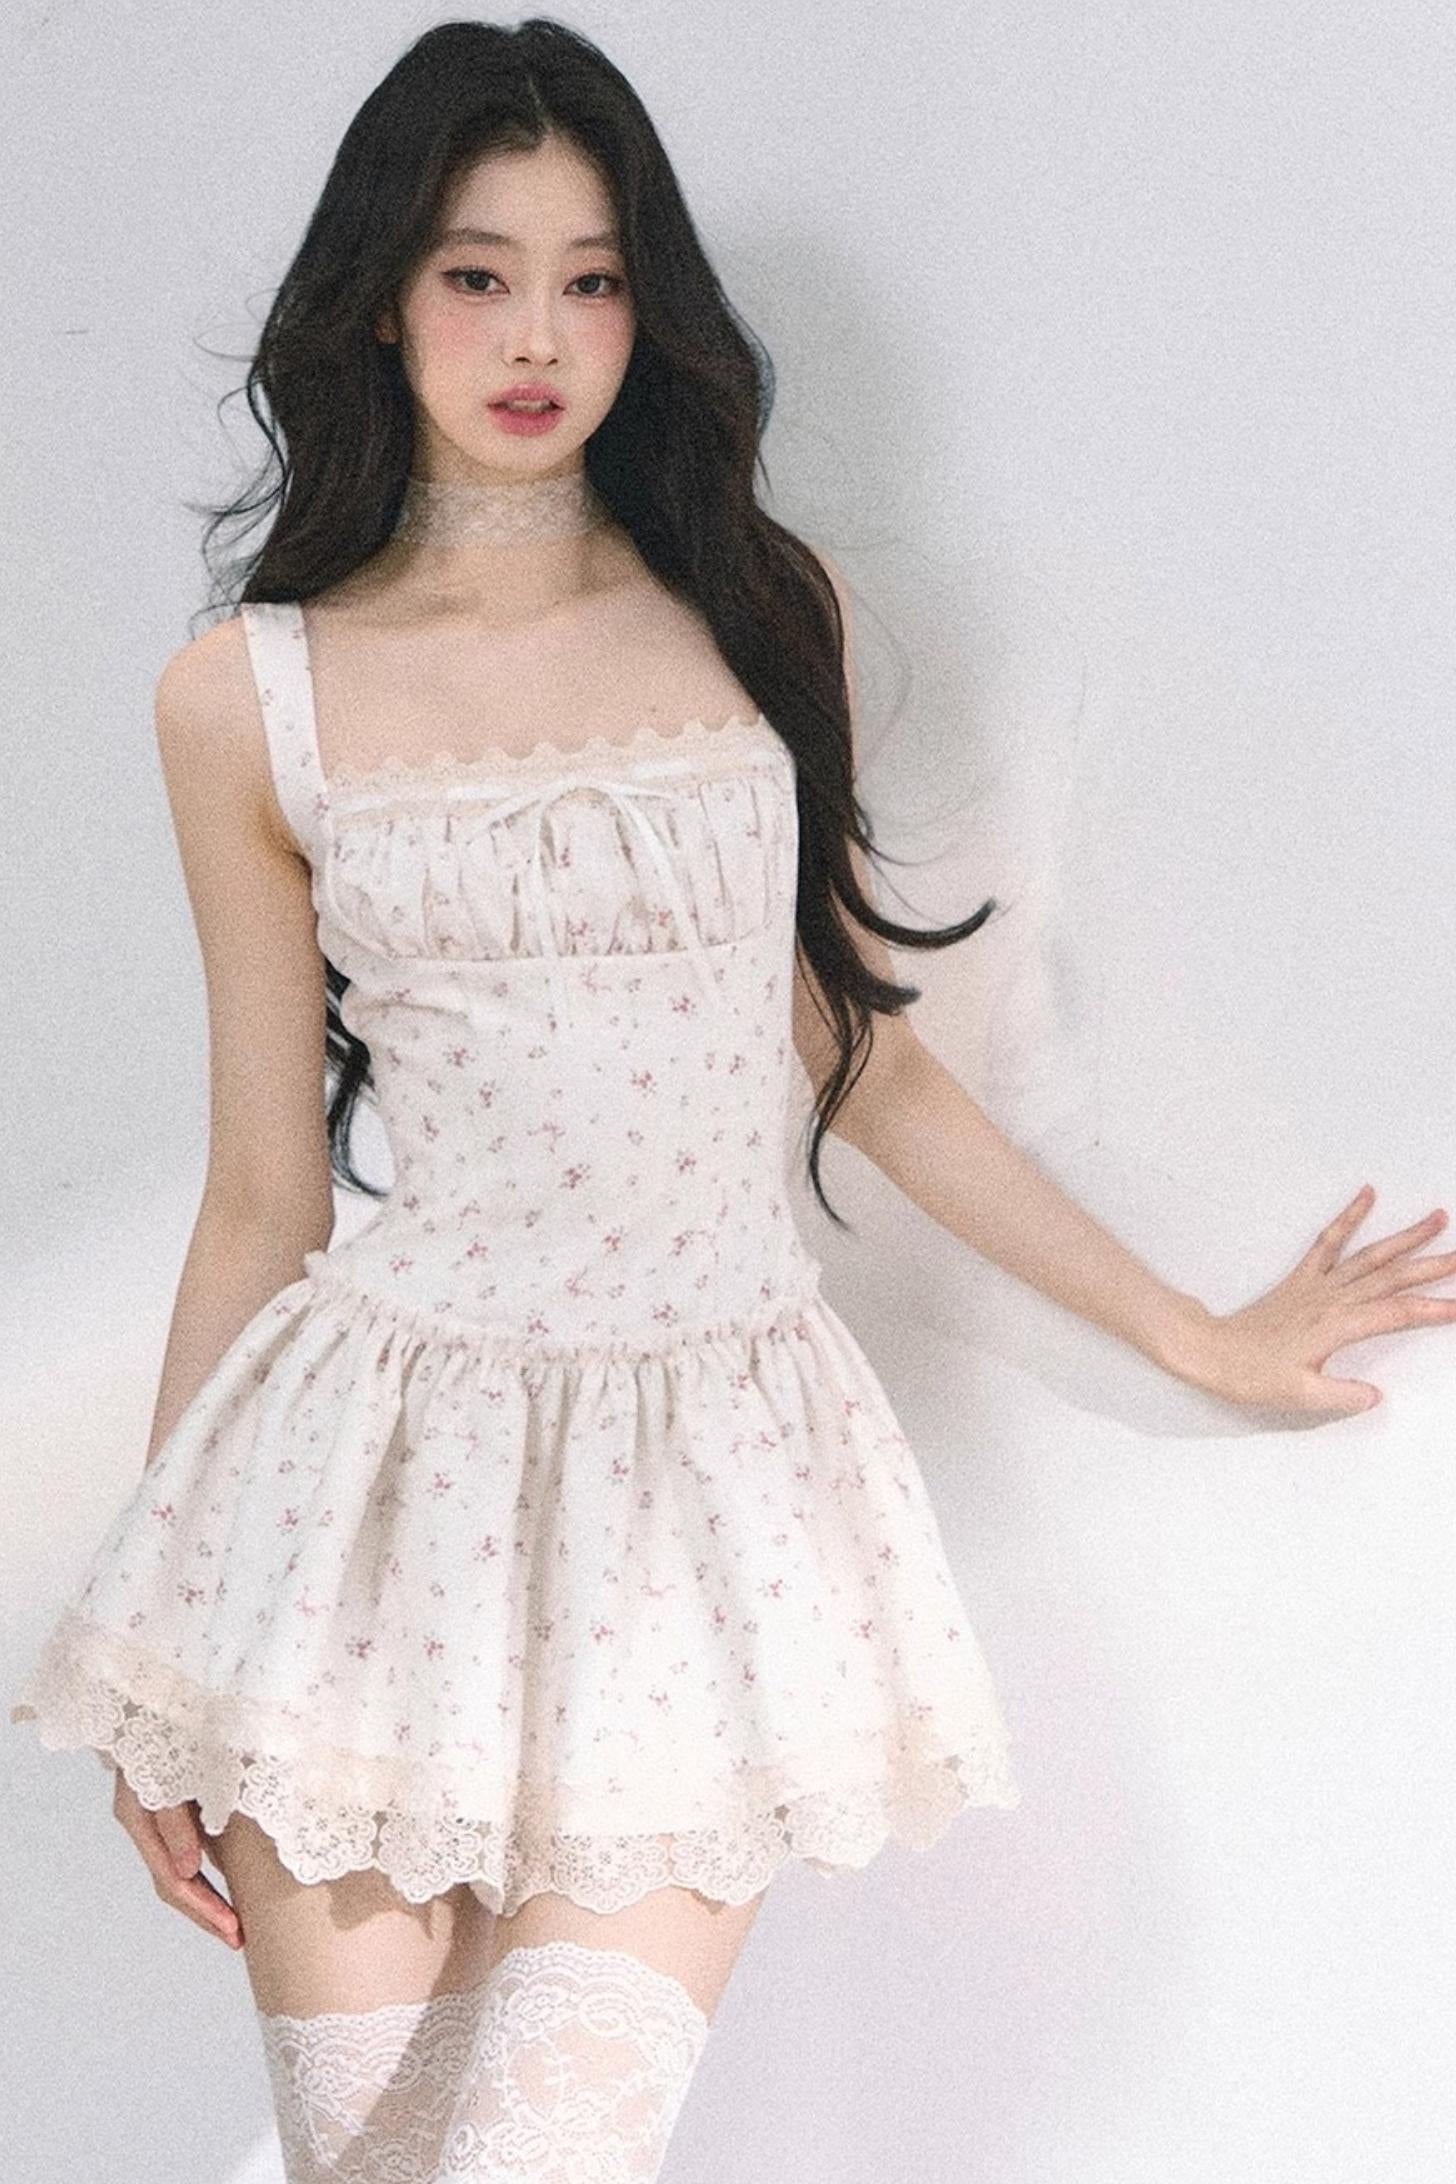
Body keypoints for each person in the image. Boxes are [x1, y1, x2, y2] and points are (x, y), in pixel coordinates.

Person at [12, 18, 1456, 2183]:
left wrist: (1197, 1331)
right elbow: (256, 1199)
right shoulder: (244, 700)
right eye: (477, 273)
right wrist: (166, 1646)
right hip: (362, 1507)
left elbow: (849, 1049)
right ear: (381, 297)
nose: (537, 336)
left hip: (699, 1495)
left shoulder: (761, 612)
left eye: (591, 279)